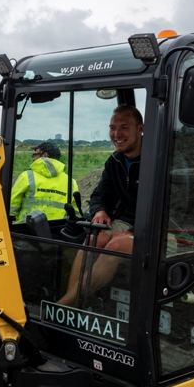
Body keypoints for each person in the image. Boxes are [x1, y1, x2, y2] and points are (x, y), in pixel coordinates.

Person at [58, 104, 143, 306]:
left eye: (124, 127)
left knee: (116, 245)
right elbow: (100, 194)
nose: (116, 134)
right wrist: (100, 210)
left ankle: (64, 306)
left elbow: (172, 209)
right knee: (93, 239)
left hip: (164, 229)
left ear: (140, 129)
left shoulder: (157, 159)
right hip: (129, 222)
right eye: (112, 128)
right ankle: (77, 301)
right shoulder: (115, 161)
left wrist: (136, 230)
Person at [10, 141, 78, 224]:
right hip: (57, 231)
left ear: (45, 155)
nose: (33, 158)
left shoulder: (27, 176)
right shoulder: (71, 183)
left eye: (35, 155)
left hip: (25, 231)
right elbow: (75, 213)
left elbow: (11, 207)